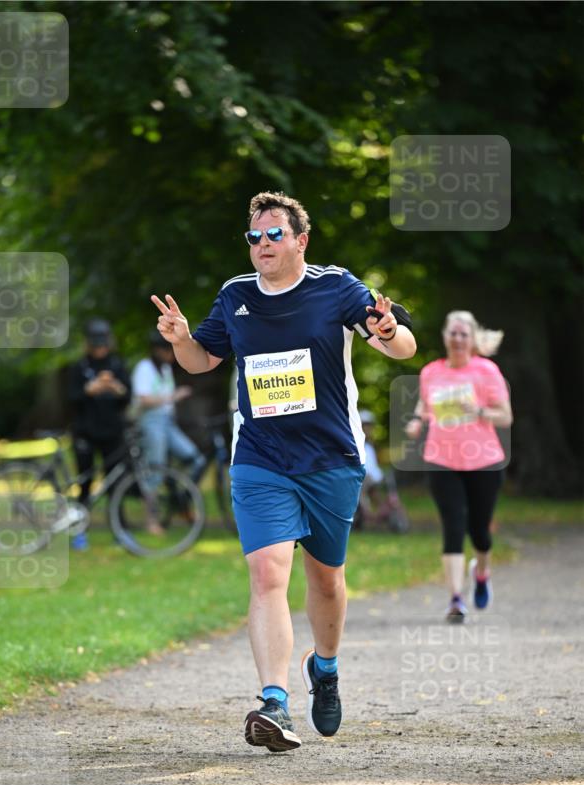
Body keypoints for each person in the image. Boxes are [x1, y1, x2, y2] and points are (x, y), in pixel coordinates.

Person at [151, 191, 416, 753]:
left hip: (329, 458)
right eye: (254, 236)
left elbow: (403, 347)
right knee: (269, 574)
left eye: (274, 234)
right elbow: (203, 359)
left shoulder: (336, 286)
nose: (263, 244)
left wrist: (389, 331)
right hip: (260, 458)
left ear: (301, 240)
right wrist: (181, 342)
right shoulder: (236, 295)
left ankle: (325, 667)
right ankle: (274, 701)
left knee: (325, 579)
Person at [405, 311, 512, 621]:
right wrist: (416, 421)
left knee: (479, 531)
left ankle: (481, 572)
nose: (458, 338)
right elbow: (424, 405)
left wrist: (478, 410)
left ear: (472, 338)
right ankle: (455, 599)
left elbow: (505, 416)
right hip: (441, 458)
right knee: (452, 527)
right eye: (453, 332)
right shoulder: (431, 372)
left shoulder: (486, 371)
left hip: (484, 460)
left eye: (464, 334)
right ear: (445, 336)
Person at [131, 330, 206, 534]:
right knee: (155, 470)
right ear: (157, 350)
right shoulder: (144, 368)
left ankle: (181, 499)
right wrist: (172, 397)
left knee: (195, 458)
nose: (171, 355)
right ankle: (151, 520)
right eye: (167, 350)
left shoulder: (164, 369)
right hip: (151, 422)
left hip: (167, 422)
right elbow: (143, 399)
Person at [67, 318, 131, 550]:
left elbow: (127, 397)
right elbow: (72, 398)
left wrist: (115, 388)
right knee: (85, 484)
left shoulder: (116, 365)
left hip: (112, 431)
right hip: (86, 432)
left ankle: (119, 531)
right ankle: (79, 533)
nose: (100, 348)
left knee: (116, 483)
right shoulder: (80, 367)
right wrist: (89, 389)